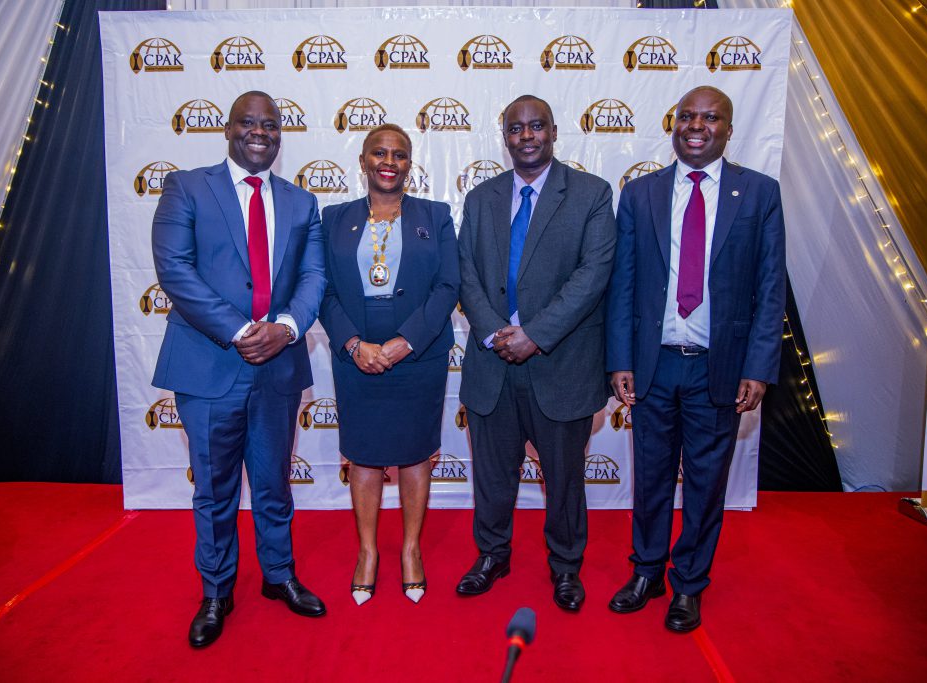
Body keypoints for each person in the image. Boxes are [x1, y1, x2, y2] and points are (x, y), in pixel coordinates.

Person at [605, 86, 786, 632]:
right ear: (674, 124)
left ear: (729, 129)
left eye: (711, 118)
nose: (697, 125)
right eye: (687, 116)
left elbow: (770, 286)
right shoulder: (640, 195)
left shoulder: (759, 194)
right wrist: (619, 358)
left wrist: (757, 366)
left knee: (707, 484)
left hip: (721, 366)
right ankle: (647, 571)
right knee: (652, 476)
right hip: (654, 363)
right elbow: (624, 284)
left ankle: (689, 584)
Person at [151, 91, 328, 648]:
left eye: (270, 125)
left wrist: (288, 329)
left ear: (280, 134)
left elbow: (314, 278)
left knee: (274, 482)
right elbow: (174, 270)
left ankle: (279, 577)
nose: (260, 133)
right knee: (214, 488)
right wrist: (239, 330)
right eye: (249, 124)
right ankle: (216, 590)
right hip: (209, 366)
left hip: (277, 367)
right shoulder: (187, 186)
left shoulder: (302, 203)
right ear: (228, 130)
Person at [456, 95, 617, 611]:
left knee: (565, 479)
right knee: (492, 474)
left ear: (553, 131)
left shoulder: (591, 194)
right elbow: (467, 274)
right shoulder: (481, 198)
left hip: (561, 362)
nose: (527, 136)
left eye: (536, 126)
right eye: (516, 128)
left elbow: (592, 277)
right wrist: (496, 332)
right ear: (504, 136)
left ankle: (566, 567)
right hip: (492, 362)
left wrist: (536, 334)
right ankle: (492, 555)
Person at [320, 123, 459, 605]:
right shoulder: (333, 218)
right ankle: (367, 553)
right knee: (363, 453)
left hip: (418, 355)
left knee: (416, 452)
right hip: (355, 356)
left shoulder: (436, 216)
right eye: (379, 152)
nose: (389, 161)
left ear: (409, 163)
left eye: (399, 154)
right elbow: (325, 291)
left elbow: (448, 286)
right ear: (362, 160)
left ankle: (411, 550)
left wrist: (406, 342)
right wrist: (354, 344)